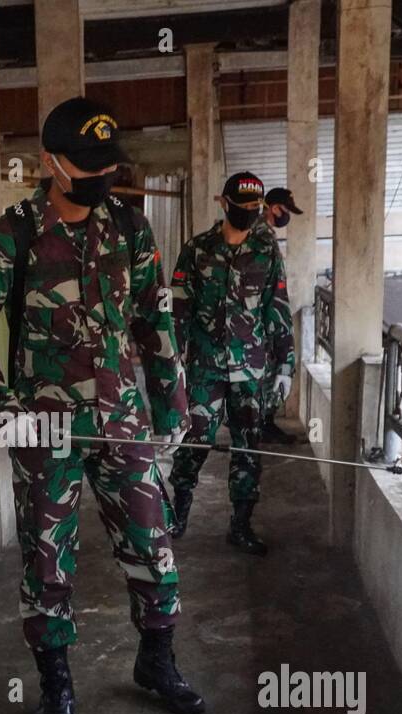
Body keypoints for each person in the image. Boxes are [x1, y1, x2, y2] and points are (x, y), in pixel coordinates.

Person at [0, 97, 205, 714]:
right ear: (49, 164)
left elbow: (156, 319)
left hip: (123, 419)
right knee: (47, 558)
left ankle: (157, 658)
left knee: (152, 542)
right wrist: (0, 409)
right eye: (87, 166)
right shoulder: (12, 236)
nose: (102, 178)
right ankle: (56, 685)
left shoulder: (130, 229)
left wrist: (174, 400)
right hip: (45, 429)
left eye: (107, 165)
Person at [168, 172, 295, 555]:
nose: (249, 215)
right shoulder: (197, 249)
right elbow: (178, 309)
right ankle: (178, 515)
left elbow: (278, 308)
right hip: (205, 368)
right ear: (224, 204)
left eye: (254, 209)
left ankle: (240, 525)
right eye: (241, 209)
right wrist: (171, 364)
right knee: (196, 441)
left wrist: (286, 363)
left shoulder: (266, 251)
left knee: (248, 447)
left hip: (251, 369)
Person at [255, 187, 305, 445]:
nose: (287, 217)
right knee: (271, 371)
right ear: (274, 208)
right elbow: (273, 292)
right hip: (262, 322)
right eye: (285, 211)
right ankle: (261, 424)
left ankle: (263, 423)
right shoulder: (262, 238)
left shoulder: (262, 235)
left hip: (256, 321)